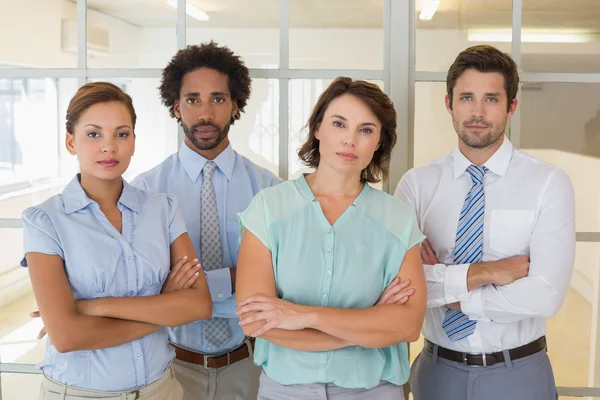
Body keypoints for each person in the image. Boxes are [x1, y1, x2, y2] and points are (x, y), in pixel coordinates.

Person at [395, 45, 575, 400]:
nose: (477, 112)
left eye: (491, 99)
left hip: (520, 374)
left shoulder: (548, 183)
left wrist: (450, 294)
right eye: (466, 97)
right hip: (437, 373)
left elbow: (545, 296)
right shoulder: (416, 185)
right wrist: (489, 273)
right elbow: (402, 289)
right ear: (449, 104)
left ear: (511, 106)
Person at [235, 77, 427, 399]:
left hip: (373, 391)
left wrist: (303, 316)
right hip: (285, 392)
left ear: (379, 141)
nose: (350, 140)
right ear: (318, 129)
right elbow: (257, 323)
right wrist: (367, 328)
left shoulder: (398, 219)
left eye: (366, 129)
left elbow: (407, 327)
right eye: (339, 124)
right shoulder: (268, 209)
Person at [21, 82, 212, 399]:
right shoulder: (45, 221)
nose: (109, 147)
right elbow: (67, 336)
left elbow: (200, 304)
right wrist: (163, 309)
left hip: (161, 390)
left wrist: (91, 308)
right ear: (71, 142)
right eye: (93, 134)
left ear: (134, 141)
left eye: (121, 134)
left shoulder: (163, 209)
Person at [131, 41, 282, 400]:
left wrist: (189, 287)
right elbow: (142, 284)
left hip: (252, 364)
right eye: (193, 99)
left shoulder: (270, 190)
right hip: (169, 367)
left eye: (217, 99)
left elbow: (281, 273)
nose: (205, 113)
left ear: (235, 105)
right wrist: (238, 275)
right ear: (176, 106)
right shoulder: (144, 192)